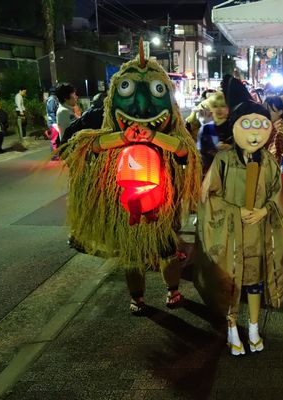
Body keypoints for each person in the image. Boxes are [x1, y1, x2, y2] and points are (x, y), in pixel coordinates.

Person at [59, 44, 201, 316]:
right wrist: (123, 138)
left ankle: (172, 290)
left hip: (162, 207)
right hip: (126, 206)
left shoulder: (172, 134)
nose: (141, 105)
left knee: (166, 250)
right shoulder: (106, 132)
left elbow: (185, 152)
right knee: (132, 255)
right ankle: (137, 297)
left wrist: (154, 137)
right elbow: (89, 147)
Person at [195, 77, 283, 356]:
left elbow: (278, 196)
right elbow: (209, 197)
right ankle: (231, 327)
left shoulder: (269, 162)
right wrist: (236, 210)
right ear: (235, 128)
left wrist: (265, 209)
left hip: (258, 236)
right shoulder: (224, 161)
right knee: (231, 283)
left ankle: (252, 327)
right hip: (231, 237)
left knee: (254, 283)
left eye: (260, 124)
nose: (254, 132)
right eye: (247, 124)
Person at [262, 95, 283, 164]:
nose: (266, 113)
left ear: (280, 112)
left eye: (269, 110)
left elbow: (276, 158)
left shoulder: (282, 129)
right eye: (265, 110)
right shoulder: (269, 127)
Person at [54, 83, 78, 156]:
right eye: (74, 94)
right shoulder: (64, 112)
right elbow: (74, 130)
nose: (76, 97)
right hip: (71, 151)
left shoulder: (68, 110)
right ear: (66, 97)